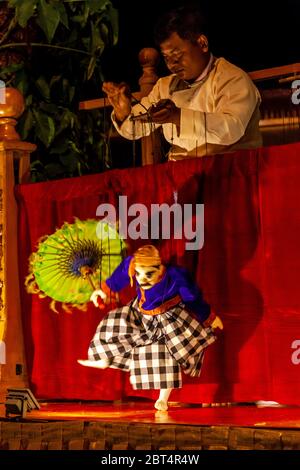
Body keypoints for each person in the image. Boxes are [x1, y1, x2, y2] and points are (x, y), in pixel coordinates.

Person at [102, 5, 262, 161]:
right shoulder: (165, 86)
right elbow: (139, 127)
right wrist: (123, 113)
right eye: (166, 57)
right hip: (182, 175)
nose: (172, 64)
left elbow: (231, 128)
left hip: (230, 172)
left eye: (177, 54)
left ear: (202, 44)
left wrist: (178, 117)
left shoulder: (232, 78)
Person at [78, 245, 223, 411]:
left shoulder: (175, 276)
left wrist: (209, 317)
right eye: (138, 274)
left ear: (160, 268)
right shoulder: (131, 263)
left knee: (167, 355)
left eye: (149, 274)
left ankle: (163, 398)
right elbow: (117, 280)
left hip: (167, 317)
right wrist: (103, 291)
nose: (142, 279)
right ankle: (105, 358)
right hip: (142, 313)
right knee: (113, 324)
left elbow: (192, 297)